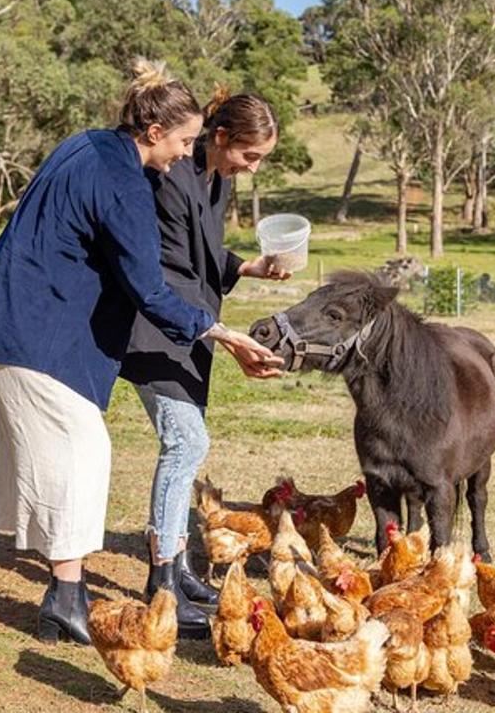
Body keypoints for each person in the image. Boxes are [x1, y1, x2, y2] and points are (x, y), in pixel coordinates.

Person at [0, 60, 281, 647]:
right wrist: (221, 334)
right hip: (34, 327)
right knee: (84, 451)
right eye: (182, 141)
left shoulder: (91, 145)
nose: (186, 151)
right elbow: (150, 286)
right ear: (154, 133)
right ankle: (71, 596)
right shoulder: (127, 181)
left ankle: (67, 597)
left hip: (28, 320)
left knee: (64, 452)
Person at [120, 89, 287, 638]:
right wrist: (224, 333)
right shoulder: (170, 176)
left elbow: (204, 256)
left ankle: (179, 568)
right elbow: (163, 265)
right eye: (251, 155)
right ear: (221, 138)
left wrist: (251, 267)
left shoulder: (214, 179)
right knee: (186, 442)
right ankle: (163, 579)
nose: (252, 167)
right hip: (158, 329)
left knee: (189, 444)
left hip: (194, 329)